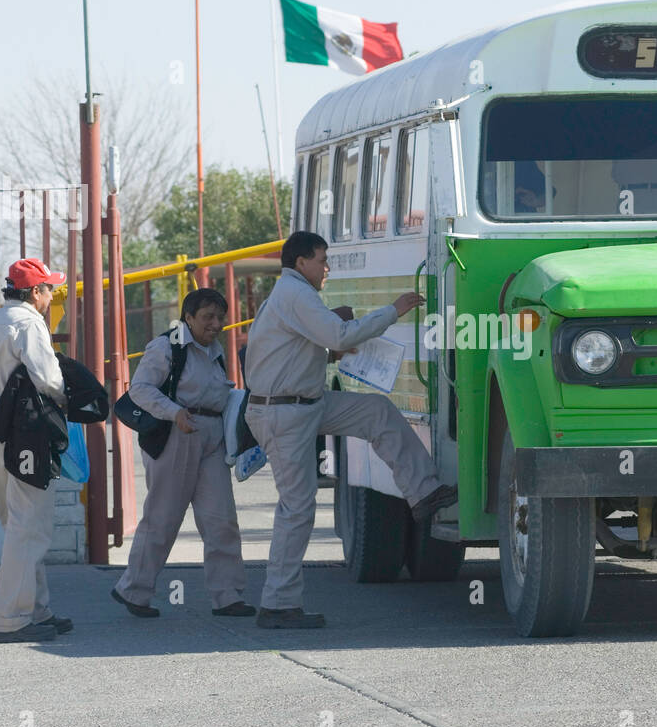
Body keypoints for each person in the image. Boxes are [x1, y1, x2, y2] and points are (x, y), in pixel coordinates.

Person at [244, 231, 457, 628]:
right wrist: (392, 310)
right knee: (297, 509)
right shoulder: (295, 293)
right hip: (286, 413)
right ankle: (276, 605)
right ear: (301, 262)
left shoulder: (293, 294)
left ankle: (423, 492)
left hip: (303, 405)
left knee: (376, 412)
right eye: (322, 259)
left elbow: (314, 347)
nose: (327, 267)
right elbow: (337, 335)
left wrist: (332, 347)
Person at [111, 288, 252, 619]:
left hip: (211, 437)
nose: (215, 324)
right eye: (207, 317)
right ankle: (134, 590)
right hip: (176, 434)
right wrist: (174, 412)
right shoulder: (167, 346)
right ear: (188, 318)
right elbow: (141, 389)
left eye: (220, 317)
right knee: (163, 517)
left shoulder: (213, 350)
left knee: (221, 519)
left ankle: (228, 595)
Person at [0, 258, 70, 643]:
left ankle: (36, 609)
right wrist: (67, 400)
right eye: (49, 289)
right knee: (31, 527)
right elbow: (49, 379)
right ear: (33, 292)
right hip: (24, 433)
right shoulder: (29, 324)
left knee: (17, 523)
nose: (51, 296)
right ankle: (11, 617)